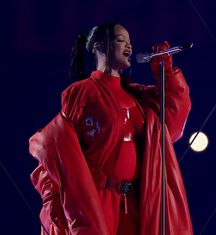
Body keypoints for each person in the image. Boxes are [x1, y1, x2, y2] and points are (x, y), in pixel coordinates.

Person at [29, 23, 193, 235]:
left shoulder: (139, 98)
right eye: (120, 40)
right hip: (98, 202)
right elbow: (59, 150)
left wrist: (167, 73)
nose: (129, 46)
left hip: (136, 203)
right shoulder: (80, 93)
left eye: (130, 42)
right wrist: (55, 200)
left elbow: (174, 116)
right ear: (99, 45)